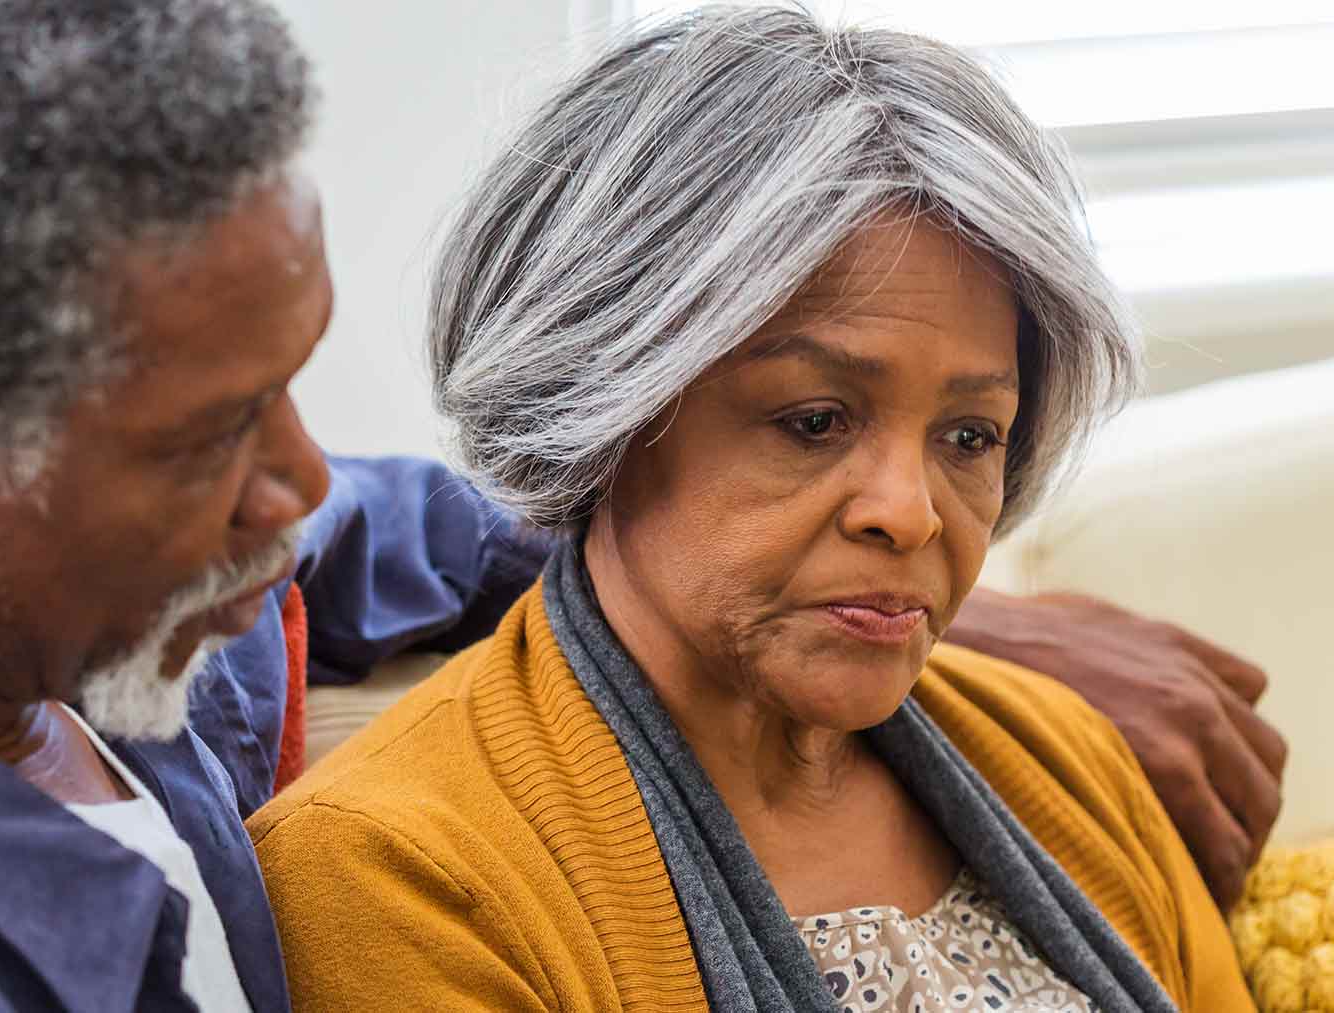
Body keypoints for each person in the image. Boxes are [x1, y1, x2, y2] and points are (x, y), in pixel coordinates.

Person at [0, 0, 1280, 1009]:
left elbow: (461, 515)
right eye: (215, 432)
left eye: (969, 438)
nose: (304, 487)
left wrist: (877, 587)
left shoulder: (67, 611)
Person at [251, 8, 1263, 1012]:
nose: (910, 513)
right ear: (608, 407)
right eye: (816, 419)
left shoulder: (1063, 753)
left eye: (969, 435)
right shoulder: (391, 874)